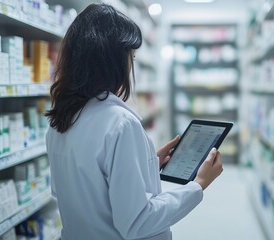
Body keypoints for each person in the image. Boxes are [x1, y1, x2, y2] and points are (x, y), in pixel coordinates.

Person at [45, 4, 223, 240]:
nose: (131, 65)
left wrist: (146, 163)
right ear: (112, 61)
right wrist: (198, 185)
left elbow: (77, 188)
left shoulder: (60, 119)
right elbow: (139, 223)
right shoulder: (120, 124)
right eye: (131, 57)